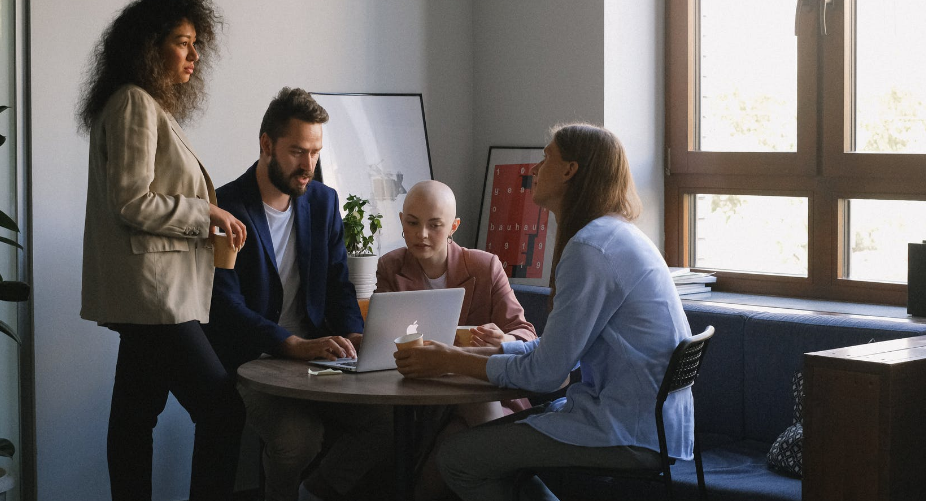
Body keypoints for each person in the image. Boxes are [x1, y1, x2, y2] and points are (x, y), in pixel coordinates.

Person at [394, 124, 694, 501]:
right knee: (466, 444)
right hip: (655, 425)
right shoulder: (616, 234)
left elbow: (549, 374)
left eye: (546, 157)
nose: (535, 169)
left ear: (570, 170)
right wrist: (485, 352)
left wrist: (450, 360)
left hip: (625, 430)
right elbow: (553, 353)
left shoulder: (590, 250)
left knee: (455, 458)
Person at [77, 1, 247, 500]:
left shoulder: (142, 103)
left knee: (134, 417)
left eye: (197, 44)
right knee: (222, 408)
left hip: (150, 297)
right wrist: (207, 214)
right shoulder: (134, 103)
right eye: (182, 43)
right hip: (155, 298)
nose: (194, 56)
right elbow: (132, 201)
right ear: (149, 47)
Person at [202, 87, 393, 501]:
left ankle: (312, 494)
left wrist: (356, 336)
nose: (308, 165)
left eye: (315, 152)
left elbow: (340, 287)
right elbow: (223, 306)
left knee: (383, 421)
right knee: (297, 439)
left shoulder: (323, 202)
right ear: (266, 145)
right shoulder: (225, 205)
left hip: (317, 356)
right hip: (255, 358)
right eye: (297, 151)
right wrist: (291, 344)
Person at [376, 180, 537, 499]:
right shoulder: (391, 267)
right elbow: (382, 339)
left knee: (454, 439)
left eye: (434, 225)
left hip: (485, 397)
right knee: (452, 438)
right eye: (412, 223)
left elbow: (526, 334)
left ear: (453, 226)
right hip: (425, 401)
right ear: (401, 221)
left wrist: (503, 337)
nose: (422, 234)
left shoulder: (485, 266)